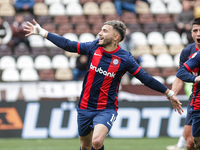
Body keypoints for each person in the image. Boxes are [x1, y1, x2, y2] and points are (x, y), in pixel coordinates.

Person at [24, 19, 183, 150]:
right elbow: (68, 44)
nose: (100, 33)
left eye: (105, 31)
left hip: (106, 108)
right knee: (85, 146)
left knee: (97, 141)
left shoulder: (125, 58)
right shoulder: (94, 47)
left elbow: (145, 78)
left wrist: (169, 93)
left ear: (116, 37)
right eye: (101, 29)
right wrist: (43, 33)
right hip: (85, 107)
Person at [176, 17, 200, 150]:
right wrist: (172, 94)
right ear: (191, 33)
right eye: (195, 30)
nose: (198, 34)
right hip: (196, 98)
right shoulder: (188, 52)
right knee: (190, 143)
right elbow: (180, 74)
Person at [166, 83, 193, 150]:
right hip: (193, 101)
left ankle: (180, 145)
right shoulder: (190, 74)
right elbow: (179, 77)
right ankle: (180, 145)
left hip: (195, 100)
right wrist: (172, 94)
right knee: (189, 125)